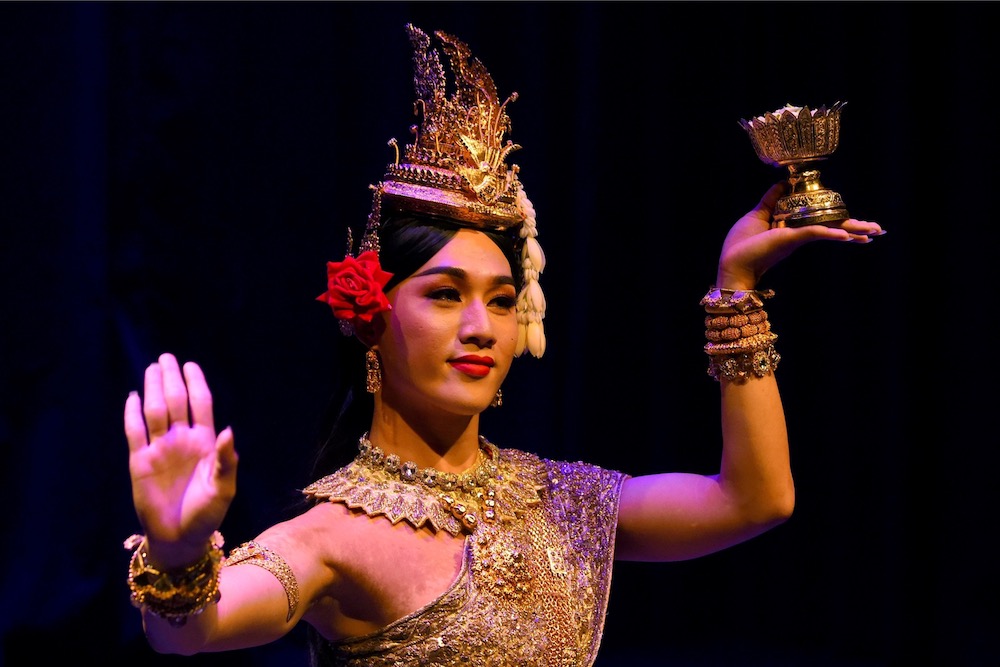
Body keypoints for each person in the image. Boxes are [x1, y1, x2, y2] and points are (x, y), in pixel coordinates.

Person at [122, 23, 885, 666]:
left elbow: (756, 498)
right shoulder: (334, 535)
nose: (482, 326)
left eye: (500, 298)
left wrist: (736, 287)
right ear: (371, 317)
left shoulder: (564, 503)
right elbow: (194, 630)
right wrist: (180, 550)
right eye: (446, 294)